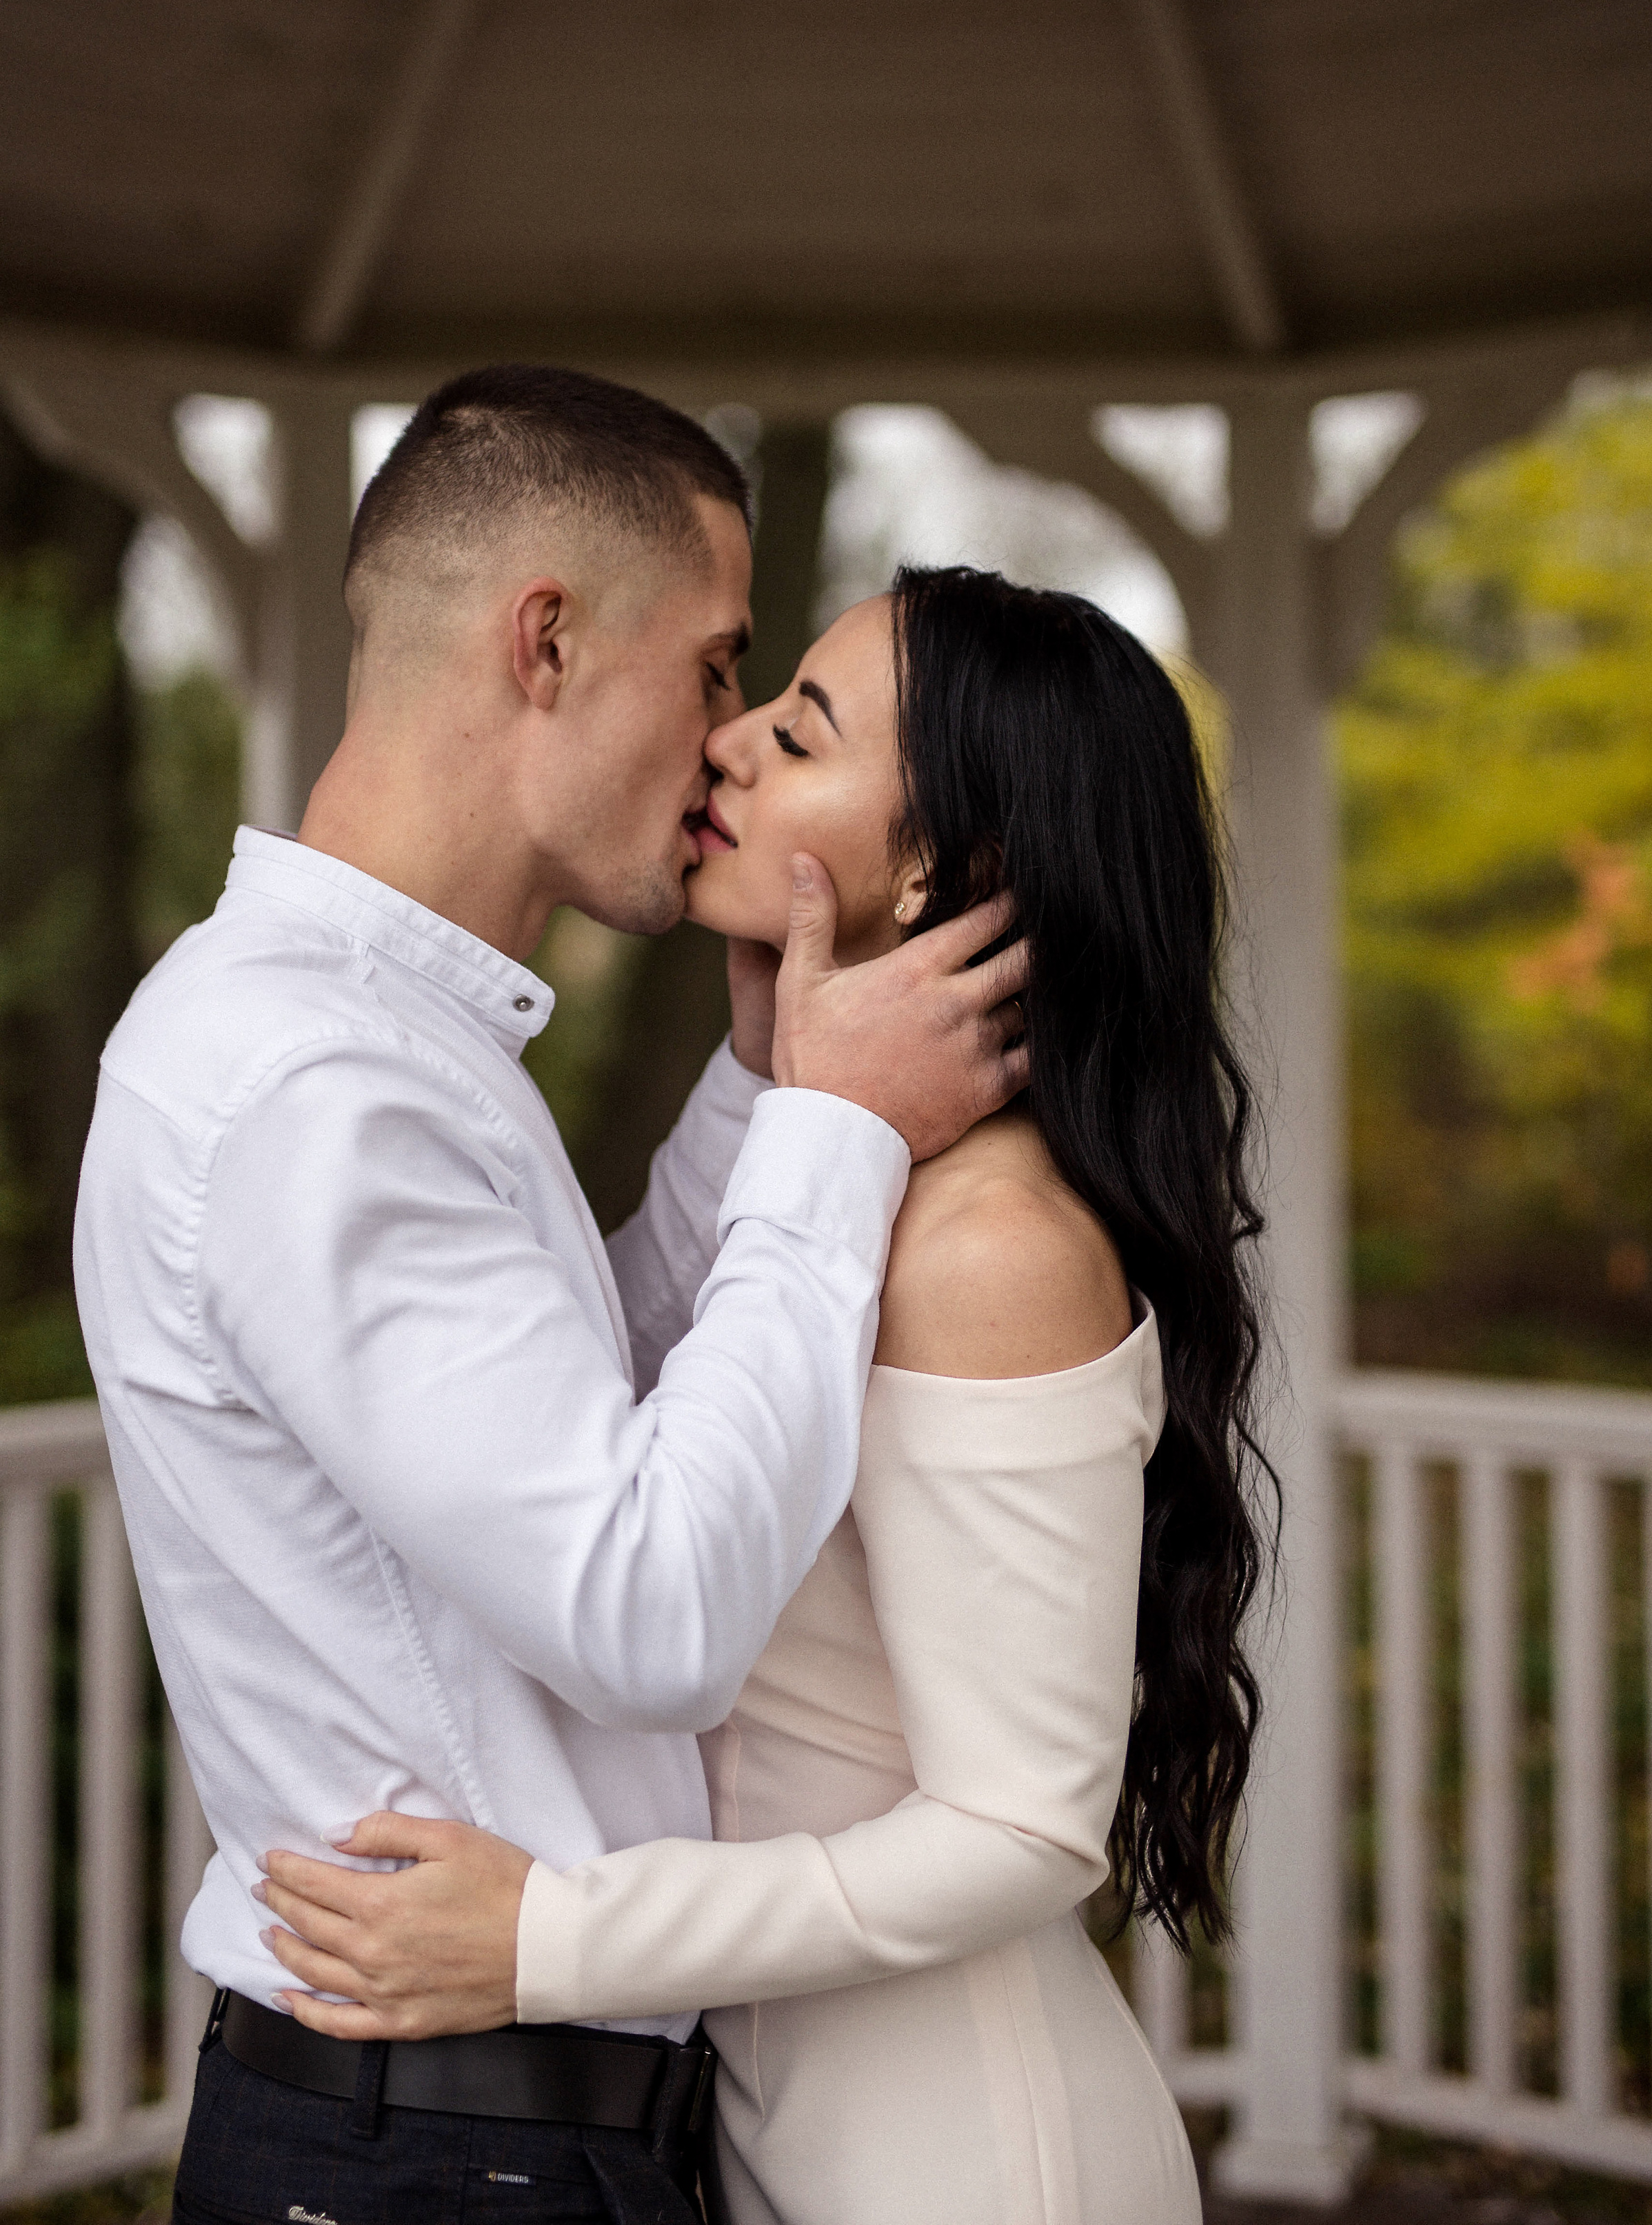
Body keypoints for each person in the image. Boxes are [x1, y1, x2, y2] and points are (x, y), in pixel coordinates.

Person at [73, 370, 1029, 2225]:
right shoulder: (314, 1082)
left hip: (485, 2125)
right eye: (718, 664)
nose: (730, 739)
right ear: (548, 640)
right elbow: (646, 1607)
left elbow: (581, 1428)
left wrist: (765, 1090)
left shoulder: (382, 1048)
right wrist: (836, 1138)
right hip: (443, 2148)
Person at [254, 565, 1275, 2225]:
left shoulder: (988, 1245)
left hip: (956, 2161)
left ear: (952, 865)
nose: (722, 746)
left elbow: (1024, 1833)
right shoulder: (847, 1182)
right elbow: (627, 1461)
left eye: (798, 731)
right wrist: (771, 1088)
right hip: (763, 2129)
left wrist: (551, 1937)